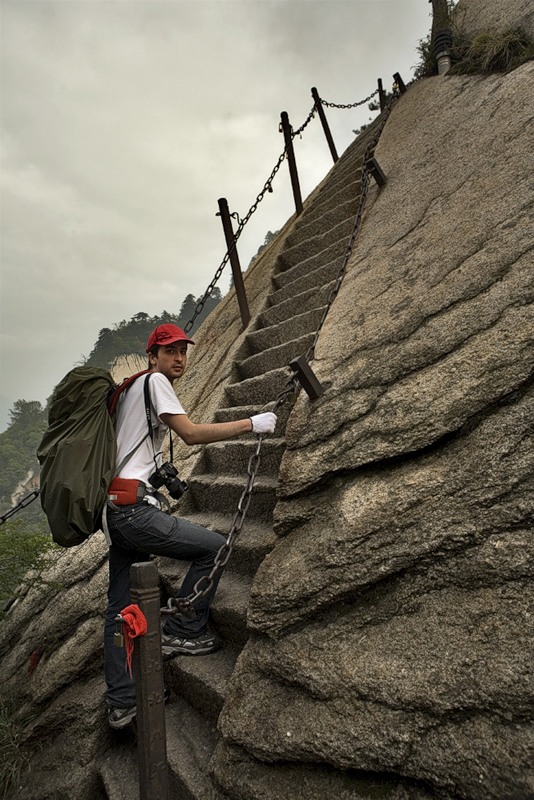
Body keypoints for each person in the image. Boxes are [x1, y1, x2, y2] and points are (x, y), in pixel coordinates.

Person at [104, 323, 277, 729]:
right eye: (169, 352)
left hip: (114, 507)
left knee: (118, 607)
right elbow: (191, 434)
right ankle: (184, 627)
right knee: (213, 548)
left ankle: (123, 700)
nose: (178, 359)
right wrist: (252, 423)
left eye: (183, 351)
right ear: (152, 357)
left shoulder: (127, 389)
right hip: (134, 510)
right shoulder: (155, 382)